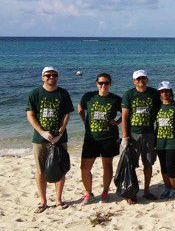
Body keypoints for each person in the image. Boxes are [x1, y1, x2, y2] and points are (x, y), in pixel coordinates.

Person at [26, 66, 74, 213]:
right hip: (40, 139)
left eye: (54, 75)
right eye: (48, 75)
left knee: (59, 168)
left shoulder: (63, 93)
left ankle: (59, 200)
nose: (51, 77)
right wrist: (42, 132)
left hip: (60, 138)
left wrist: (60, 132)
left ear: (57, 77)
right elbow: (30, 115)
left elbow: (67, 114)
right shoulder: (35, 93)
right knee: (40, 170)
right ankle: (43, 201)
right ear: (42, 77)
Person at [77, 73, 122, 205]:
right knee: (84, 168)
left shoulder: (116, 99)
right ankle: (88, 193)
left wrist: (118, 122)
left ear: (110, 84)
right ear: (97, 84)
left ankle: (105, 192)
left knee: (107, 166)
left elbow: (126, 112)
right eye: (101, 83)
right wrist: (85, 121)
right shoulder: (89, 96)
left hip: (109, 137)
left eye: (106, 83)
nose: (103, 85)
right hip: (91, 138)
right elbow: (80, 107)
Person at [121, 69, 161, 203]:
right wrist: (125, 137)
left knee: (148, 163)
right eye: (138, 79)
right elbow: (125, 117)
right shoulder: (129, 94)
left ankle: (147, 190)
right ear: (134, 81)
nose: (141, 81)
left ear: (147, 79)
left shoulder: (154, 93)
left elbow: (159, 111)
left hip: (149, 133)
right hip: (133, 134)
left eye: (143, 78)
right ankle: (132, 192)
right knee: (131, 164)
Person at [155, 81, 175, 199]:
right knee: (163, 167)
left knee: (170, 167)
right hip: (159, 141)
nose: (165, 93)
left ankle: (172, 188)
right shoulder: (157, 106)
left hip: (172, 141)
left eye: (167, 91)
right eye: (162, 91)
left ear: (171, 92)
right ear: (159, 93)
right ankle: (166, 187)